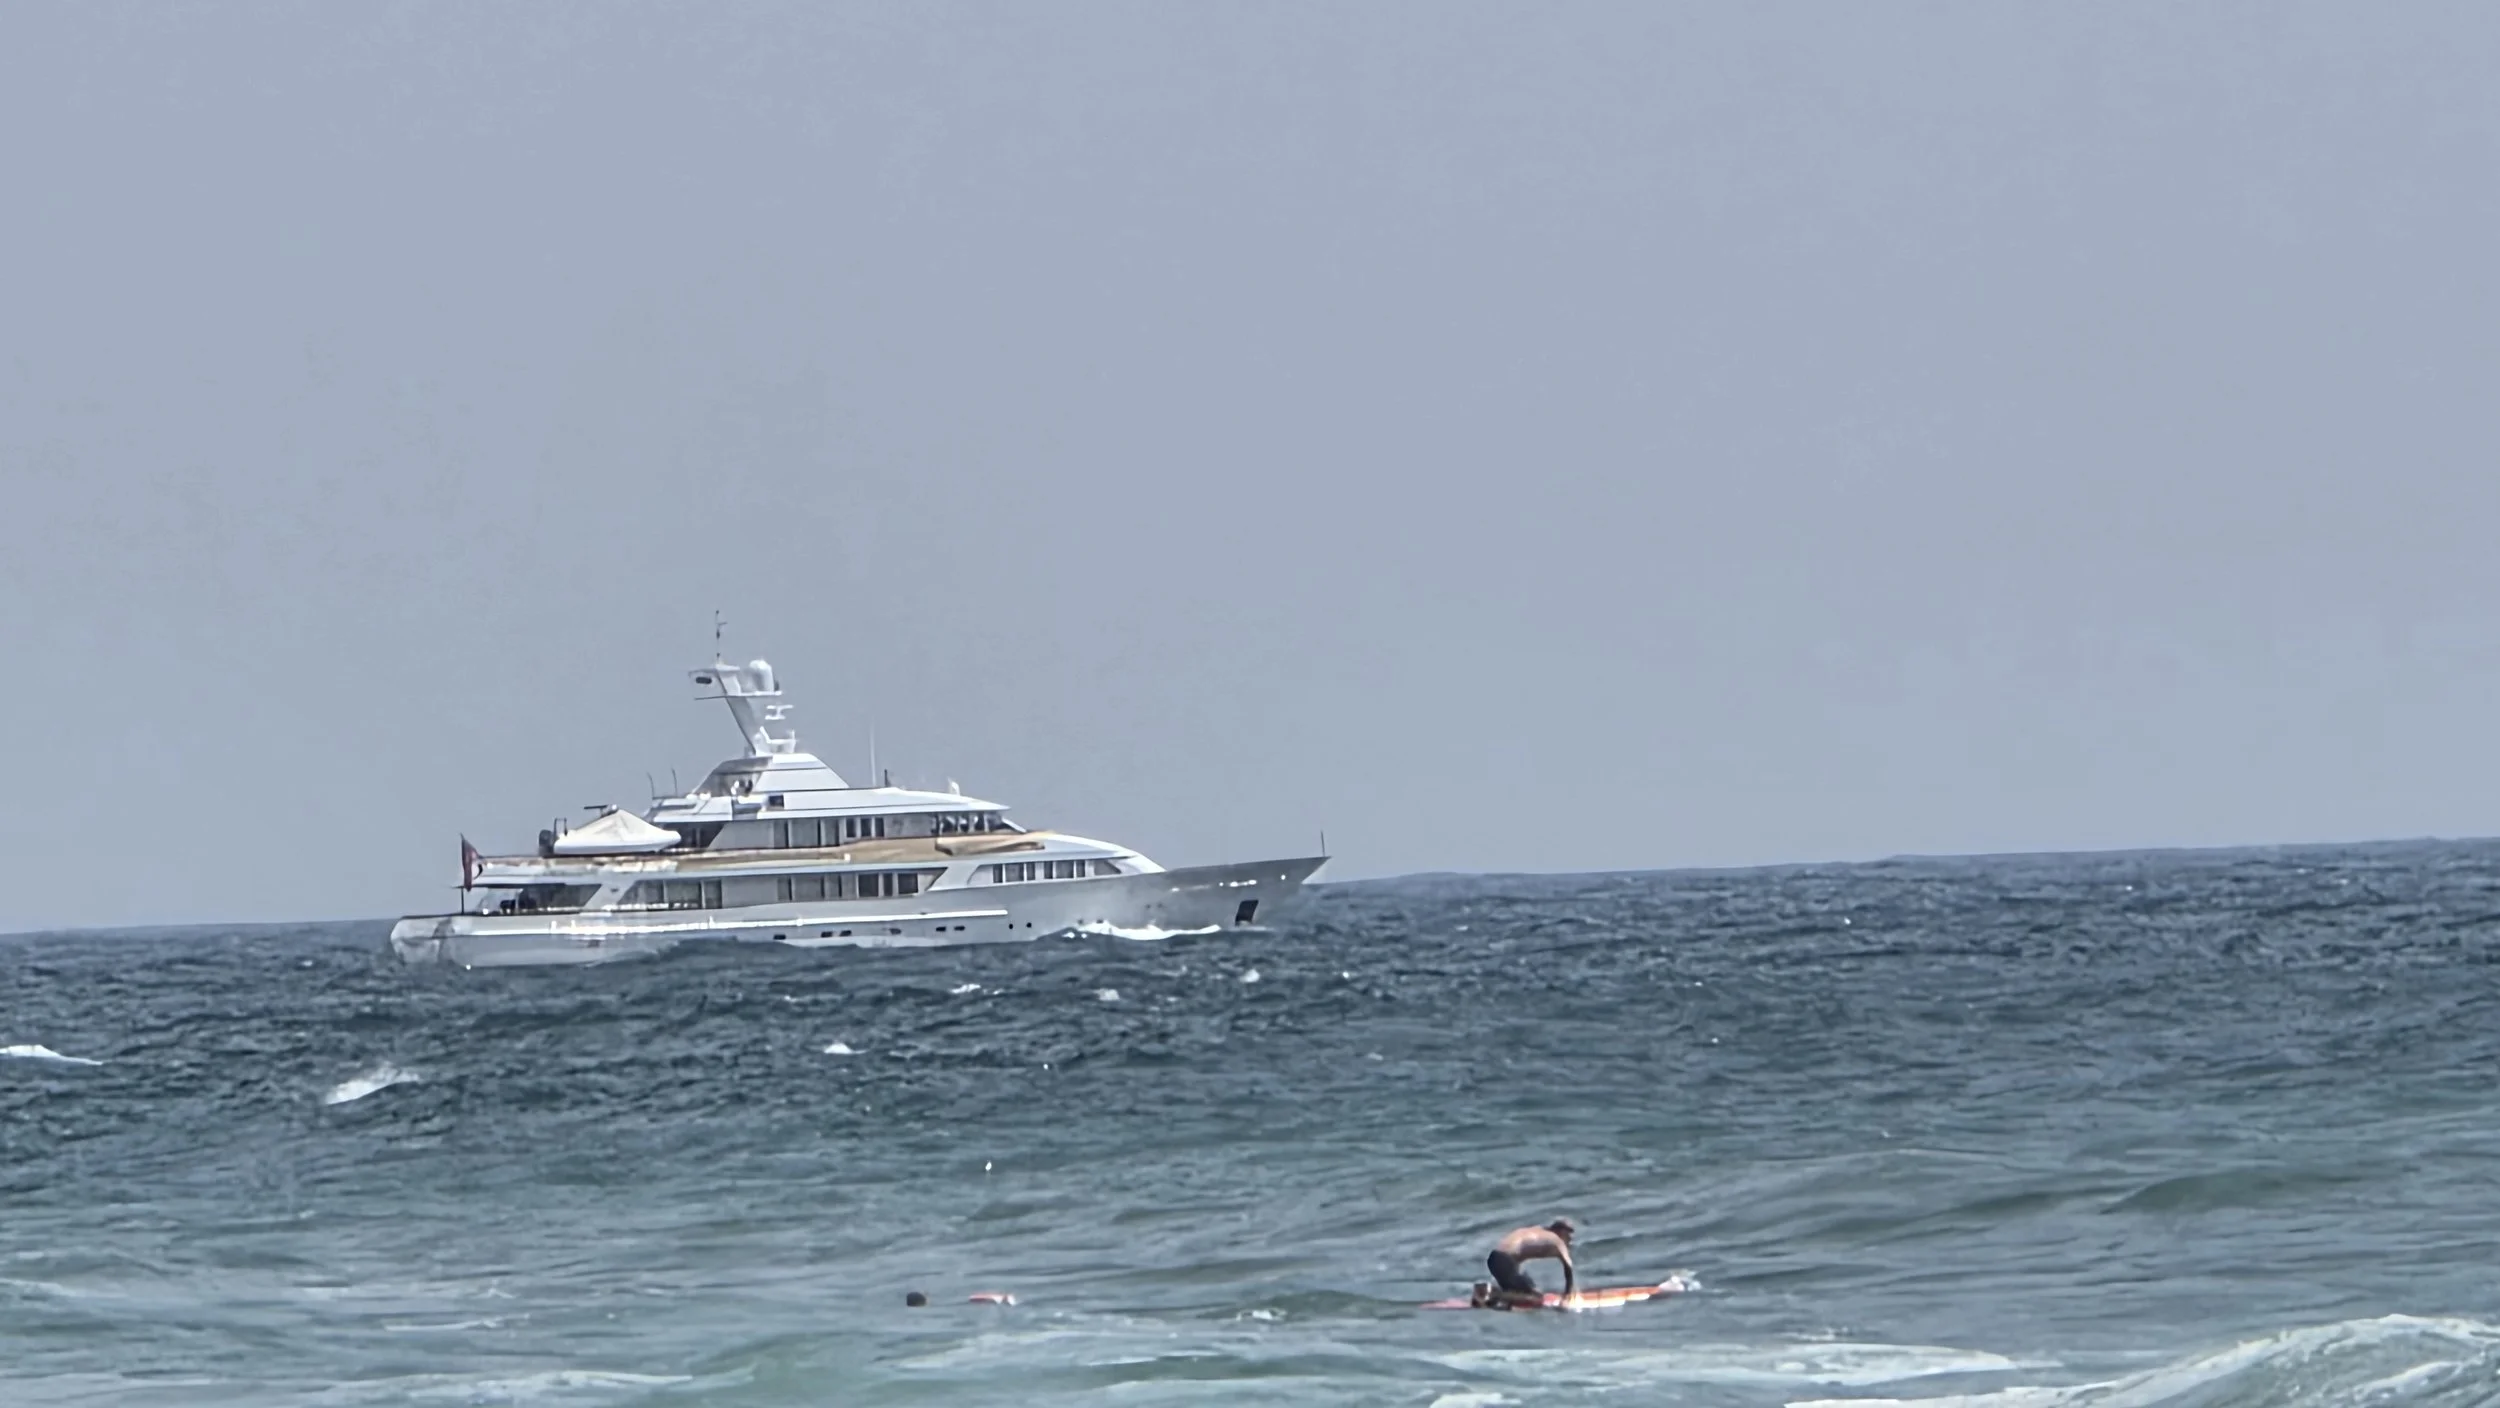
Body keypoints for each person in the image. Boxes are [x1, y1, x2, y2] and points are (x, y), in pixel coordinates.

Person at [1486, 1218, 1576, 1301]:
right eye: (1569, 1234)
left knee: (1513, 1290)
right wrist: (1567, 1295)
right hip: (1505, 1261)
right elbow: (1569, 1266)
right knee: (1537, 1296)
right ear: (1562, 1231)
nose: (1571, 1239)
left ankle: (1493, 1293)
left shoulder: (1537, 1230)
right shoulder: (1557, 1240)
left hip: (1494, 1259)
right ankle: (1494, 1295)